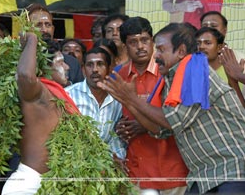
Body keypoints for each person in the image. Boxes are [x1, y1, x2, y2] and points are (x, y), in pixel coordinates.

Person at [97, 22, 245, 194]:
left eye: (161, 49)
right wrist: (129, 101)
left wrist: (131, 99)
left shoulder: (195, 70)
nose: (156, 55)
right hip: (204, 173)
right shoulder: (171, 79)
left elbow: (172, 120)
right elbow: (160, 130)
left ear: (181, 51)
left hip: (231, 167)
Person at [114, 16, 188, 195]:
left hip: (172, 168)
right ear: (124, 46)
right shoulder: (118, 76)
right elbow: (111, 115)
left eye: (145, 40)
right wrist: (118, 127)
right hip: (136, 169)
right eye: (133, 42)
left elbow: (179, 118)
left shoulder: (170, 70)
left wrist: (144, 125)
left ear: (152, 42)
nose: (140, 47)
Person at [1, 32, 79, 194]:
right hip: (28, 184)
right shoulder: (37, 93)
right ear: (45, 67)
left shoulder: (58, 95)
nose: (67, 67)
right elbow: (25, 75)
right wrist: (32, 40)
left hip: (53, 184)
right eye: (60, 62)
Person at [65, 46, 126, 160]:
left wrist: (117, 158)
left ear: (109, 68)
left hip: (105, 167)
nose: (95, 70)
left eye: (100, 64)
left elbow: (114, 137)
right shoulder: (69, 95)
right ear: (83, 70)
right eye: (90, 65)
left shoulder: (118, 99)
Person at [27, 3, 84, 85]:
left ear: (53, 29)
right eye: (38, 25)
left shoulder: (72, 63)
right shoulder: (20, 61)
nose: (44, 30)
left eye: (48, 25)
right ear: (27, 30)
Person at [195, 27, 245, 107]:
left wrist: (236, 76)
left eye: (207, 43)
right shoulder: (190, 71)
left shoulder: (232, 70)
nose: (201, 47)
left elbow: (238, 109)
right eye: (198, 43)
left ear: (219, 48)